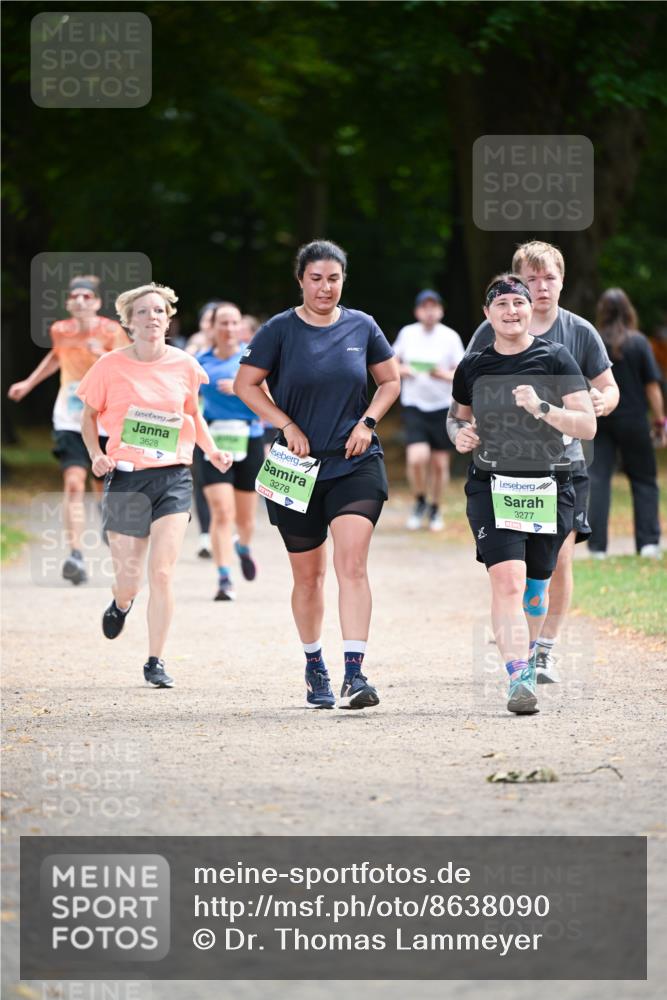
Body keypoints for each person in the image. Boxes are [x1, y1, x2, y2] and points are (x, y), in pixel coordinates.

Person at [234, 240, 400, 710]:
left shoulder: (362, 325)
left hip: (354, 462)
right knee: (309, 578)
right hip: (297, 467)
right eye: (316, 278)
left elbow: (390, 380)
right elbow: (245, 383)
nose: (325, 287)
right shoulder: (280, 329)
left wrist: (368, 423)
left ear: (343, 279)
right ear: (301, 280)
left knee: (352, 564)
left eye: (333, 278)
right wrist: (285, 424)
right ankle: (315, 666)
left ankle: (355, 672)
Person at [450, 241, 619, 683]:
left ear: (561, 283)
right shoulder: (488, 334)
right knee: (510, 571)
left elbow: (607, 389)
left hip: (562, 467)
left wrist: (599, 402)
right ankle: (520, 657)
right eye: (531, 279)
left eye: (549, 279)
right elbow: (463, 398)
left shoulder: (577, 333)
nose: (540, 288)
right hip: (500, 472)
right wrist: (460, 432)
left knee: (555, 561)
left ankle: (543, 647)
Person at [77, 283, 232, 688]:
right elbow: (88, 417)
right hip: (126, 477)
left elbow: (193, 416)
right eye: (143, 312)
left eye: (159, 311)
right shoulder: (109, 366)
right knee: (130, 578)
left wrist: (212, 451)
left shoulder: (185, 365)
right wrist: (96, 454)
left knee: (162, 572)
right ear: (129, 323)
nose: (152, 318)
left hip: (173, 477)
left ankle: (155, 660)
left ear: (168, 318)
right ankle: (122, 601)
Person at [7, 275, 128, 584]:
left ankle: (105, 514)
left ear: (98, 303)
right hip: (69, 418)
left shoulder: (112, 331)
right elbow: (54, 357)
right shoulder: (60, 330)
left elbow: (128, 366)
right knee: (74, 482)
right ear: (68, 303)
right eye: (75, 296)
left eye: (87, 297)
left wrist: (101, 352)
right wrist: (29, 383)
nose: (81, 301)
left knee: (103, 484)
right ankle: (75, 554)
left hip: (104, 418)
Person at [587, 288, 665, 558]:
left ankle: (597, 547)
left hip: (600, 418)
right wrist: (659, 420)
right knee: (644, 479)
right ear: (629, 310)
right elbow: (652, 386)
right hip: (633, 419)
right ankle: (648, 543)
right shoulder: (639, 343)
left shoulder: (593, 341)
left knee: (597, 480)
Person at [197, 301, 265, 600]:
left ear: (241, 327)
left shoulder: (254, 361)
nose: (228, 328)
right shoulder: (199, 362)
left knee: (245, 519)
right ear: (212, 327)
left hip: (248, 438)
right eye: (222, 323)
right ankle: (224, 578)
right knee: (222, 512)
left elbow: (274, 399)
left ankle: (244, 547)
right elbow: (186, 403)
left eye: (233, 322)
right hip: (214, 442)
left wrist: (241, 388)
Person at [394, 289, 464, 531]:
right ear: (417, 311)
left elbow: (461, 373)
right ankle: (419, 500)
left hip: (443, 407)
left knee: (439, 464)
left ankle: (435, 508)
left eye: (434, 306)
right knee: (417, 458)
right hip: (414, 405)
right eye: (425, 307)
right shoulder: (407, 333)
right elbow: (392, 362)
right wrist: (404, 371)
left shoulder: (450, 337)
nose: (430, 311)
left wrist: (441, 374)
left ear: (441, 310)